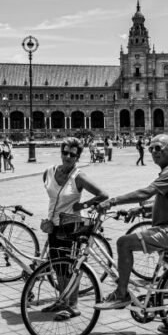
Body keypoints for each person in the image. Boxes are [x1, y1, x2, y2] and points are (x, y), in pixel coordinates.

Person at [94, 135, 168, 322]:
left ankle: (121, 293)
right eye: (151, 149)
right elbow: (167, 200)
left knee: (124, 243)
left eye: (158, 148)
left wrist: (112, 201)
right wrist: (140, 210)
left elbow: (146, 192)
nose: (154, 152)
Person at [41, 137, 108, 321]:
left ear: (78, 157)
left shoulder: (79, 177)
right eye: (65, 153)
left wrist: (83, 205)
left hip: (71, 226)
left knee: (71, 267)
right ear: (61, 153)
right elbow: (52, 197)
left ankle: (73, 305)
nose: (68, 157)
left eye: (73, 154)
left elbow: (103, 195)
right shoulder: (48, 172)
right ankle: (62, 300)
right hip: (53, 225)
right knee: (58, 266)